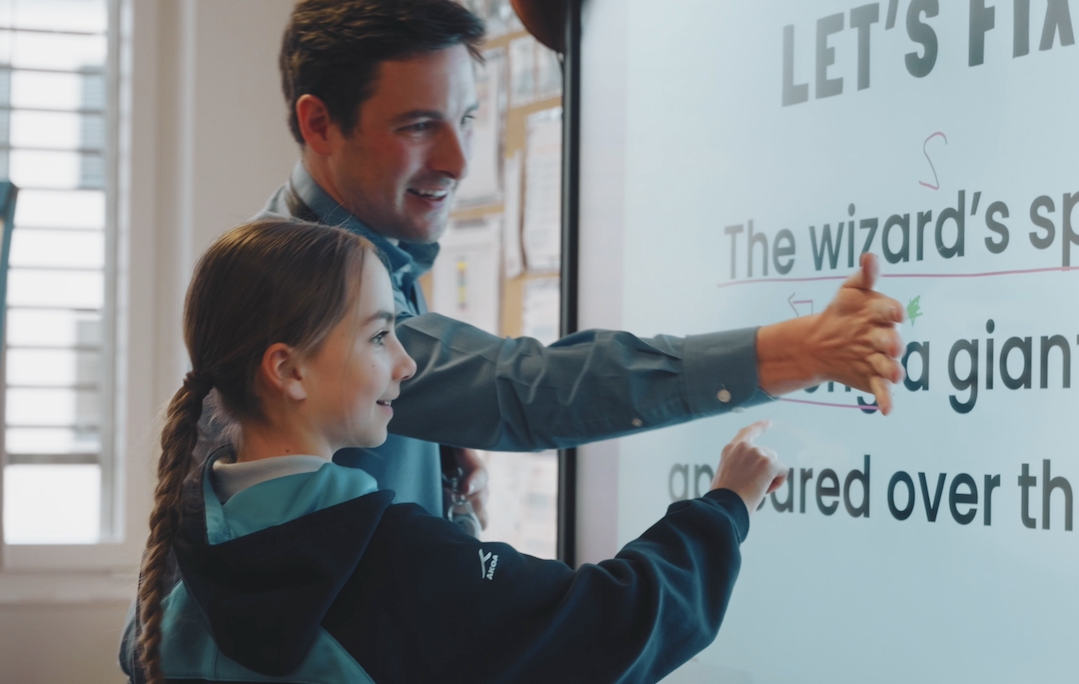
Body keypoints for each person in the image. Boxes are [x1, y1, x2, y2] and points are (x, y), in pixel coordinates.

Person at [257, 0, 904, 523]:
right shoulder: (308, 286)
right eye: (420, 126)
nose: (457, 161)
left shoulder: (360, 248)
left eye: (468, 119)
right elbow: (524, 388)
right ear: (319, 124)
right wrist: (805, 350)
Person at [121, 219, 789, 684]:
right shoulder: (392, 559)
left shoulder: (185, 563)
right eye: (380, 337)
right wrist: (725, 507)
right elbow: (609, 625)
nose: (407, 364)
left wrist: (458, 528)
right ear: (288, 371)